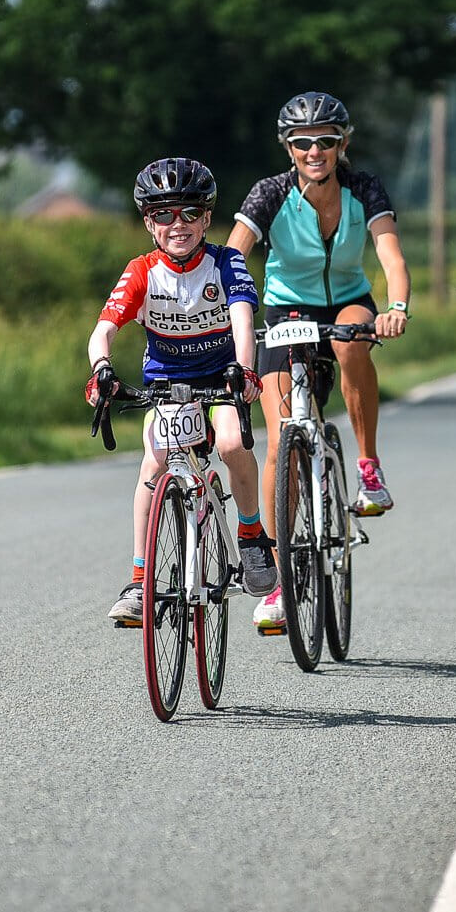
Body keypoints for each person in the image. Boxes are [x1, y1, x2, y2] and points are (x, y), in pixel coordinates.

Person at [225, 91, 411, 632]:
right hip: (286, 308)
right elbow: (233, 256)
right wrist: (227, 309)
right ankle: (279, 581)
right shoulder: (270, 193)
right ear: (288, 147)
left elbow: (391, 256)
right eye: (303, 142)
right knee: (280, 441)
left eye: (326, 141)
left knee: (352, 343)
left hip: (348, 301)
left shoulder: (363, 188)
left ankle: (369, 470)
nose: (315, 151)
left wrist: (396, 308)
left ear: (342, 144)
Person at [87, 157, 274, 627]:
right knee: (153, 465)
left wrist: (245, 371)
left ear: (207, 218)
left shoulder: (226, 262)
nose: (179, 224)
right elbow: (103, 330)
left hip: (221, 377)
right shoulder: (142, 270)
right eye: (164, 214)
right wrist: (101, 369)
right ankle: (139, 580)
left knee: (231, 444)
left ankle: (251, 534)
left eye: (190, 213)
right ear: (149, 223)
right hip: (166, 384)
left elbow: (243, 319)